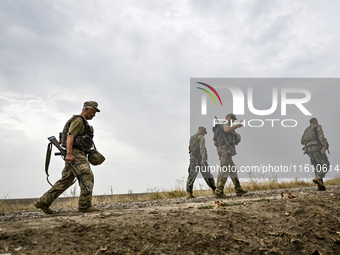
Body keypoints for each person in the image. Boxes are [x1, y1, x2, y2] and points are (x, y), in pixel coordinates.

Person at [34, 101, 101, 213]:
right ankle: (85, 206)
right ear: (86, 109)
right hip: (76, 154)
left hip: (76, 153)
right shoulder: (79, 120)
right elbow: (70, 136)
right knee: (87, 176)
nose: (94, 114)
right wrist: (69, 154)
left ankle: (43, 202)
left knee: (66, 180)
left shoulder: (82, 122)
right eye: (93, 112)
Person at [214, 113, 247, 198]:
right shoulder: (225, 123)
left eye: (234, 119)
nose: (233, 120)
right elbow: (226, 130)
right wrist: (238, 126)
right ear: (227, 118)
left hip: (225, 150)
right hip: (224, 150)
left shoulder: (229, 125)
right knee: (224, 170)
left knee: (232, 169)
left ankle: (238, 189)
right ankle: (219, 192)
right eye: (231, 118)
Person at [186, 126, 216, 198]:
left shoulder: (192, 138)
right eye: (204, 132)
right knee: (207, 174)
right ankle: (215, 190)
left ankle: (189, 193)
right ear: (201, 130)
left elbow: (190, 149)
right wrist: (203, 158)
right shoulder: (201, 137)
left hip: (193, 159)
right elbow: (202, 148)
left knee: (191, 176)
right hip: (199, 159)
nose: (204, 134)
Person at [301, 117, 330, 191]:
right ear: (315, 121)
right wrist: (324, 147)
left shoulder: (307, 130)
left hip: (309, 151)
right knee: (326, 164)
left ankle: (320, 186)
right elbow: (321, 137)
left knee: (317, 166)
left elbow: (301, 141)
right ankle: (319, 178)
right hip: (317, 148)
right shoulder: (317, 127)